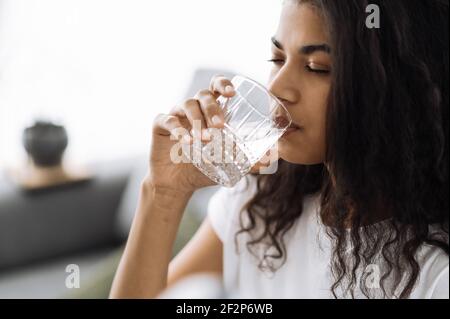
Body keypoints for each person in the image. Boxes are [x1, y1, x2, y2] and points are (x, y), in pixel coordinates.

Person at [110, 0, 449, 299]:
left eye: (317, 67)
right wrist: (164, 191)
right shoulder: (264, 201)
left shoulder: (435, 274)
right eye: (277, 58)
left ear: (393, 90)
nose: (277, 87)